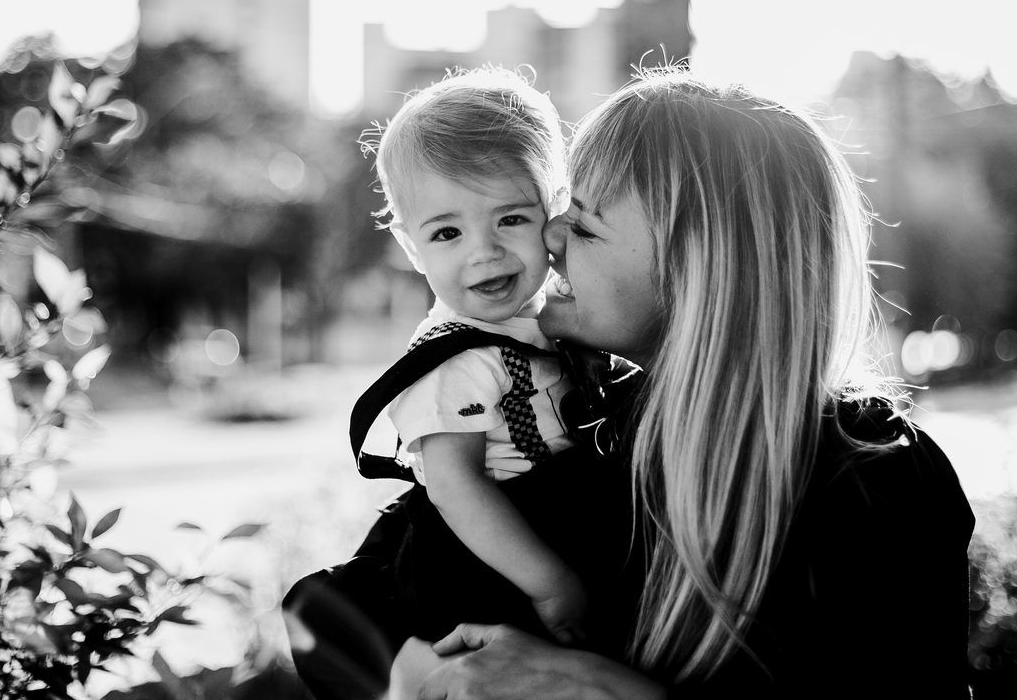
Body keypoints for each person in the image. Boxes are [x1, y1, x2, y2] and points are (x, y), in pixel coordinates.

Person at [391, 70, 976, 698]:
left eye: (582, 226)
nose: (548, 238)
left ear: (695, 274)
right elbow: (351, 604)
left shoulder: (871, 480)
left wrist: (592, 689)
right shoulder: (605, 429)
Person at [284, 69, 647, 700]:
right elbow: (456, 484)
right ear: (409, 243)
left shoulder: (555, 320)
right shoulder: (452, 356)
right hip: (483, 551)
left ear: (554, 214)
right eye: (447, 233)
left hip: (552, 520)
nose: (484, 251)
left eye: (510, 218)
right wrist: (549, 581)